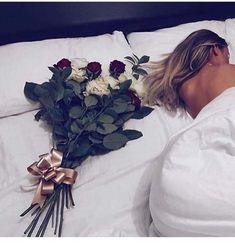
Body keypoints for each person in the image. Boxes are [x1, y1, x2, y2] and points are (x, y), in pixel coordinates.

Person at [144, 29, 232, 119]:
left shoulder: (183, 89)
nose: (228, 61)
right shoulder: (226, 70)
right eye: (227, 55)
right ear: (215, 49)